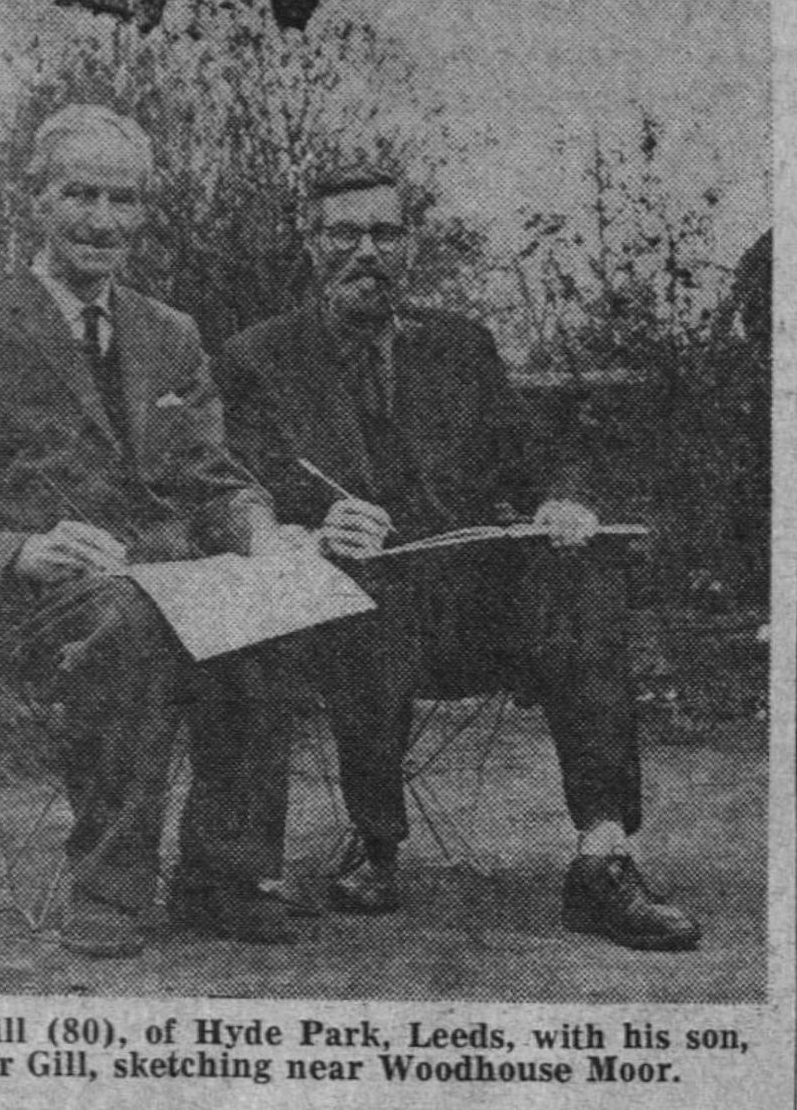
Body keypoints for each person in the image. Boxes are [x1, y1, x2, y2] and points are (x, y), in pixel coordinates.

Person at [216, 164, 702, 952]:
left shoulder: (459, 345)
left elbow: (538, 455)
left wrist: (561, 500)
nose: (365, 252)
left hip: (474, 611)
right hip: (345, 609)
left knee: (582, 577)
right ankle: (374, 839)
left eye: (384, 233)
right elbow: (238, 482)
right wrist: (313, 524)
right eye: (344, 233)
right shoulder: (258, 357)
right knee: (364, 588)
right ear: (311, 245)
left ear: (409, 246)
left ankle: (603, 855)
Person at [0, 105, 302, 958]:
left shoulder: (171, 334)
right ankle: (110, 887)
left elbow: (212, 479)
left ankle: (222, 876)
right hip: (33, 605)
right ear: (33, 200)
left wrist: (260, 531)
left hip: (162, 583)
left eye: (124, 199)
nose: (103, 221)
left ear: (145, 212)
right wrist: (22, 550)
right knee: (131, 622)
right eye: (81, 194)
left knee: (262, 612)